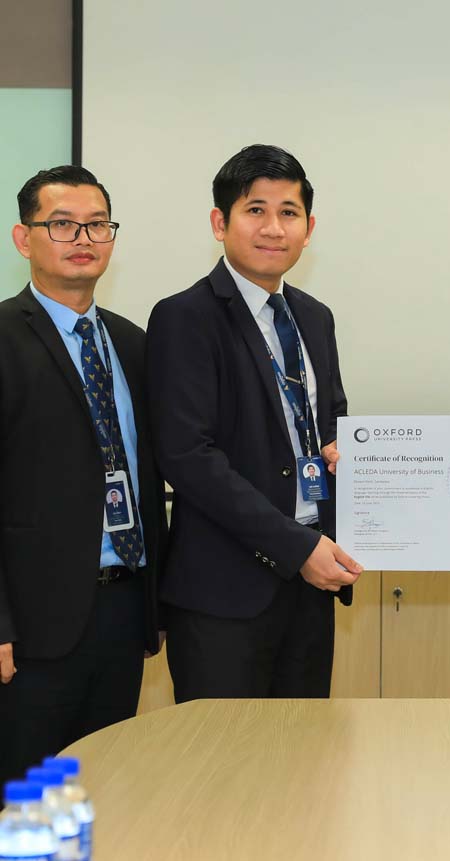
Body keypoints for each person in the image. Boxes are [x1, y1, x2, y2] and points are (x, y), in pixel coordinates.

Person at [146, 144, 362, 701]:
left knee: (304, 748)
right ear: (220, 223)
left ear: (309, 228)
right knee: (224, 753)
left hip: (310, 586)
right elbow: (187, 457)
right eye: (255, 210)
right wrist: (295, 548)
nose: (273, 227)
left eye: (289, 212)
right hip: (224, 595)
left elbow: (330, 420)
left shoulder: (314, 317)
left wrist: (341, 450)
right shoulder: (184, 317)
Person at [0, 166, 166, 786]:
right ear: (24, 238)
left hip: (124, 608)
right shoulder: (2, 337)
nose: (83, 238)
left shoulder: (132, 344)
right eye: (62, 224)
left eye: (98, 225)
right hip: (32, 625)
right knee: (29, 801)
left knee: (106, 790)